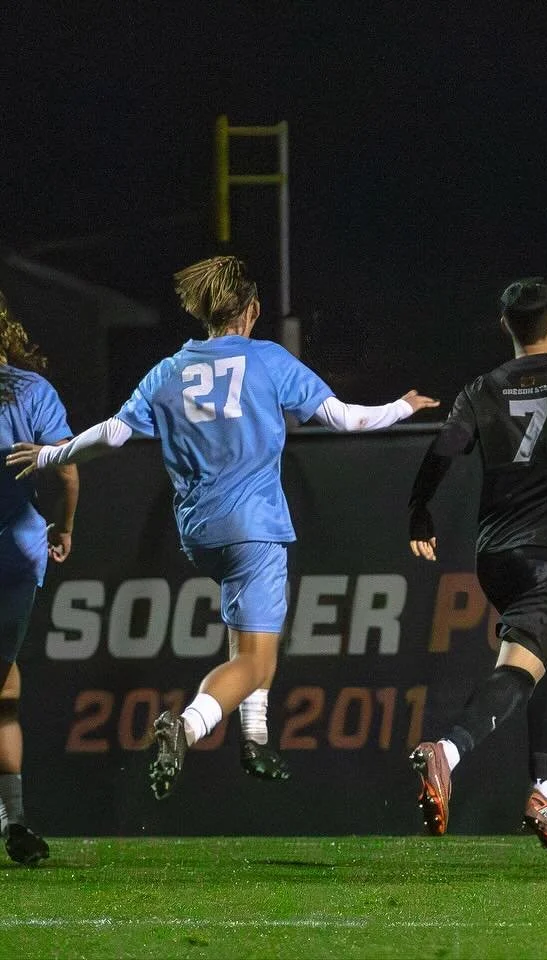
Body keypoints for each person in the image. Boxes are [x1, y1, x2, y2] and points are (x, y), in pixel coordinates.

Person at [7, 256, 438, 800]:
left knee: (256, 639)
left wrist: (51, 455)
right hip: (253, 525)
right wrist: (402, 406)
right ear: (253, 310)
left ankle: (255, 736)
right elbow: (348, 418)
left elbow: (112, 435)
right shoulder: (267, 360)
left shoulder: (169, 371)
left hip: (200, 532)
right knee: (255, 659)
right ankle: (183, 727)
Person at [406, 277, 547, 857]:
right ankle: (448, 752)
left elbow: (442, 452)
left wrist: (418, 512)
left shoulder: (481, 389)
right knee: (522, 667)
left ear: (505, 325)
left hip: (494, 558)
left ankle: (544, 789)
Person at [0, 291, 77, 865]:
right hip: (18, 554)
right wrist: (64, 529)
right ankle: (16, 821)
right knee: (3, 686)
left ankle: (13, 820)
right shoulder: (32, 391)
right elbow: (69, 472)